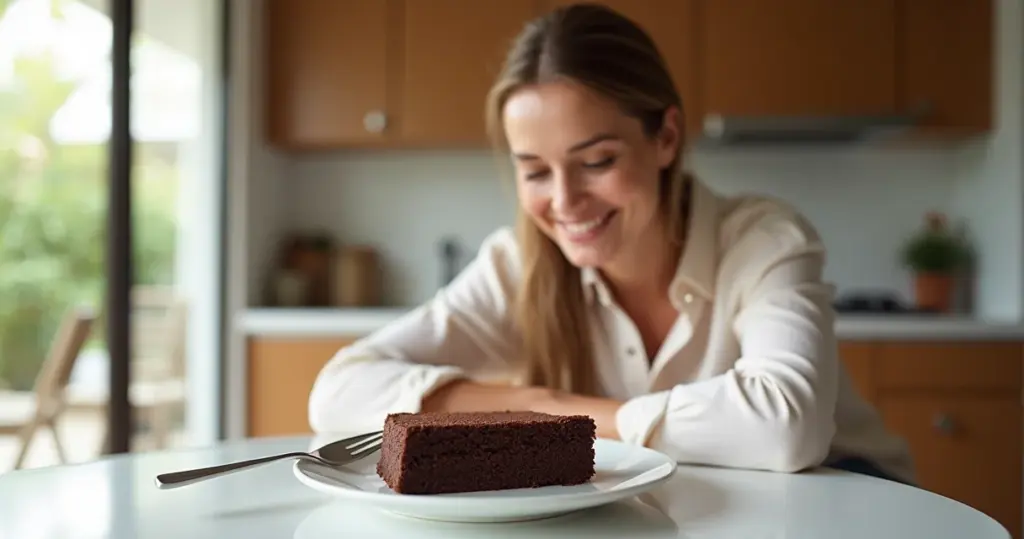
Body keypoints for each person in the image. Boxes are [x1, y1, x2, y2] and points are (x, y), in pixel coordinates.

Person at [308, 2, 914, 485]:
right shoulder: (518, 265)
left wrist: (566, 419)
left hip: (845, 491)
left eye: (596, 160)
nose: (565, 202)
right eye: (536, 171)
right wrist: (539, 403)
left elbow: (786, 428)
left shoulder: (762, 239)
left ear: (666, 137)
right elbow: (337, 391)